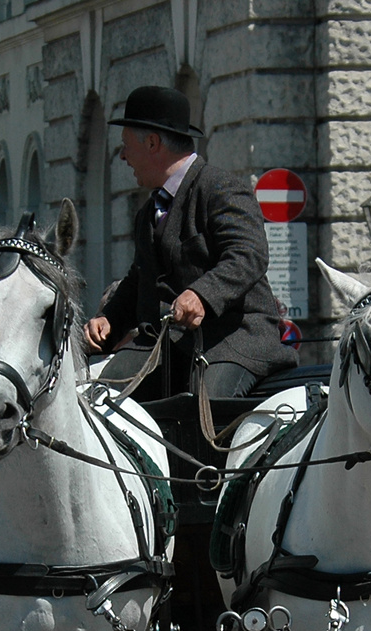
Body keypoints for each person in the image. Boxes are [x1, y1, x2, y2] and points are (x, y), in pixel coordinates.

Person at [82, 86, 295, 398]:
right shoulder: (148, 212)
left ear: (152, 143)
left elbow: (248, 255)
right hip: (165, 344)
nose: (123, 156)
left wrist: (201, 294)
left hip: (233, 341)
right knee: (102, 397)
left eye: (125, 146)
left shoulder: (220, 188)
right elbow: (139, 278)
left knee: (203, 405)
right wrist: (107, 319)